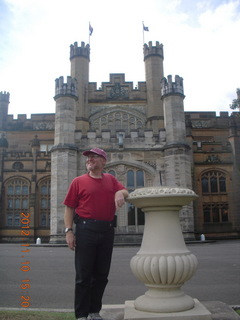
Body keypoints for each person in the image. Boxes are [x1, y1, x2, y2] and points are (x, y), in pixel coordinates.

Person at [63, 148, 129, 320]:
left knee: (101, 275)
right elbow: (69, 207)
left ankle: (94, 311)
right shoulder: (78, 181)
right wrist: (69, 231)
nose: (89, 159)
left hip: (107, 230)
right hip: (85, 229)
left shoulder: (111, 179)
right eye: (88, 157)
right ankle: (82, 315)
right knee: (83, 276)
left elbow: (126, 192)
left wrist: (118, 192)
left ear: (103, 161)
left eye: (94, 157)